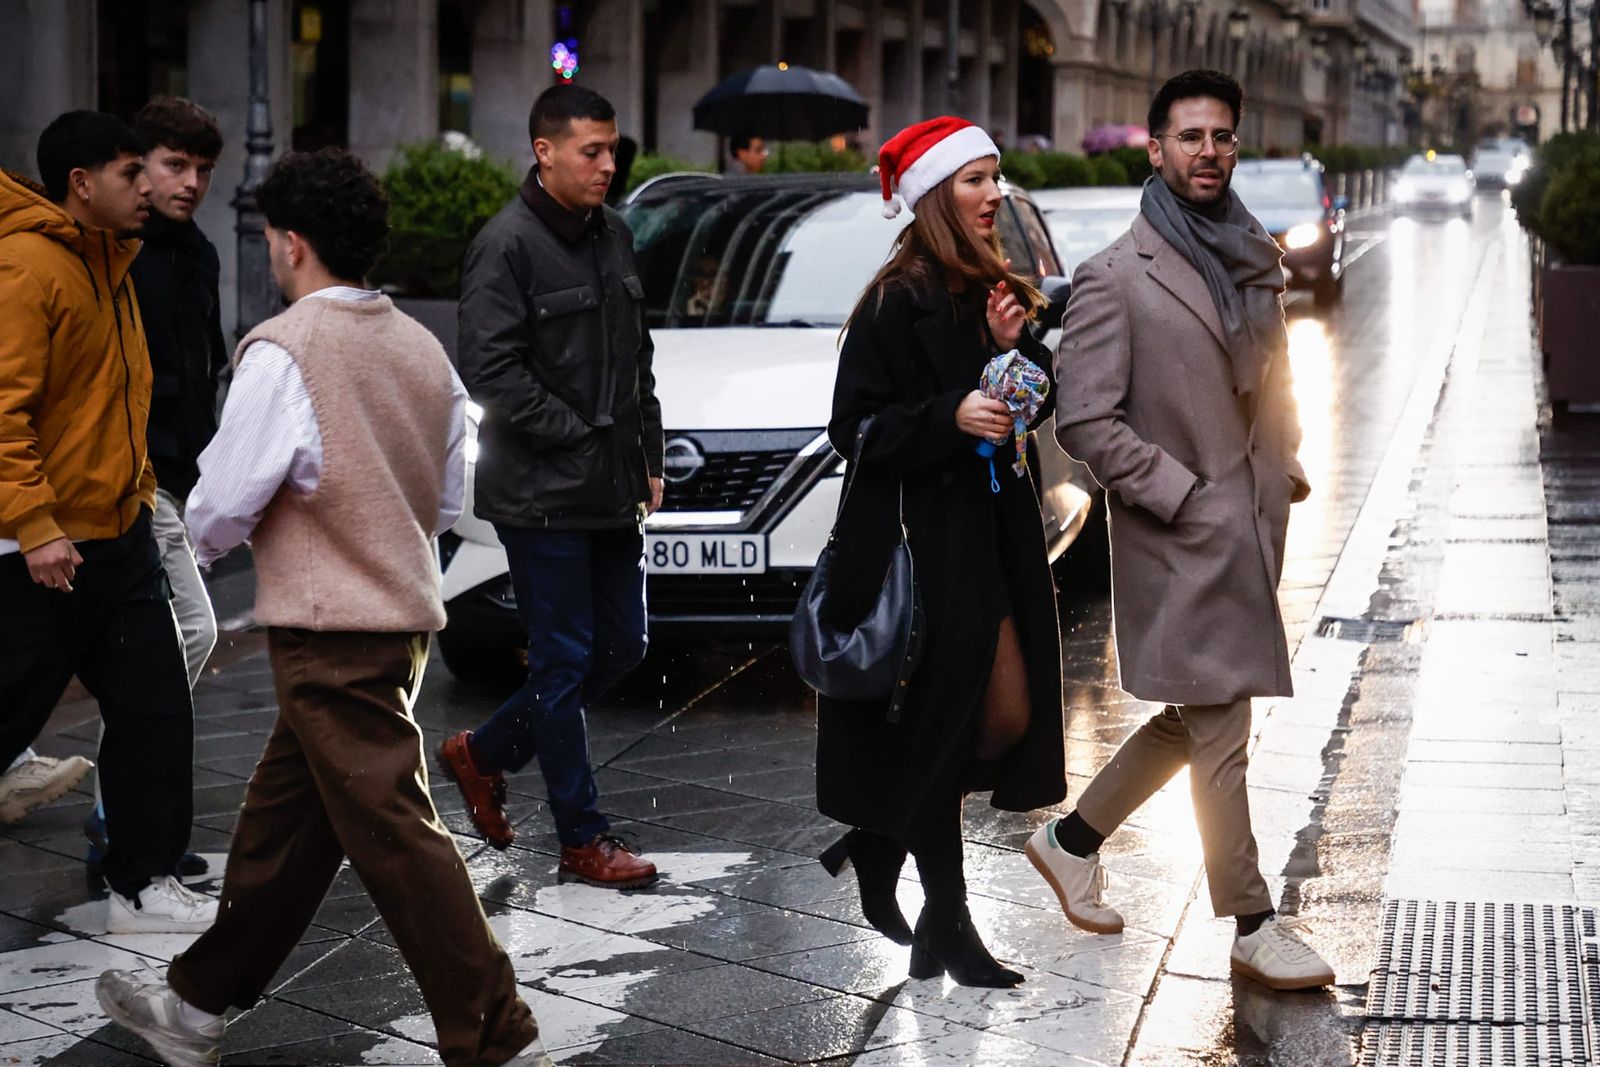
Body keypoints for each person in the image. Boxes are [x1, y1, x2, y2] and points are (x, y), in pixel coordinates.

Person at [94, 148, 550, 1067]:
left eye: (270, 237)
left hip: (327, 629)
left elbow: (222, 500)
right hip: (403, 615)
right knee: (283, 828)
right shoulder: (419, 345)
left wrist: (204, 554)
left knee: (396, 833)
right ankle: (192, 1007)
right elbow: (458, 490)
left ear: (291, 243)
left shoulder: (285, 347)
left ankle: (496, 1033)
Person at [1035, 69, 1335, 991]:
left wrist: (1280, 470)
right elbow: (1084, 418)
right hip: (1180, 533)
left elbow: (1276, 378)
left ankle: (1070, 837)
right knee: (1222, 726)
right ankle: (1252, 921)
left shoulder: (1252, 255)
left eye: (1223, 137)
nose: (1210, 152)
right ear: (1156, 150)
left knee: (1201, 712)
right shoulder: (1115, 277)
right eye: (1191, 137)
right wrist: (1179, 491)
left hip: (1247, 525)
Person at [815, 116, 1067, 988]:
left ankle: (884, 835)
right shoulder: (897, 299)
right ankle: (948, 925)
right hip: (922, 552)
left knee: (1001, 719)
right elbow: (854, 428)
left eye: (996, 177)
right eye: (975, 181)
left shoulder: (990, 289)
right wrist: (945, 417)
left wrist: (1010, 354)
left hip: (992, 534)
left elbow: (1031, 401)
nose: (994, 194)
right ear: (932, 196)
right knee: (962, 718)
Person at [441, 84, 663, 889]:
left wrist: (649, 454)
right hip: (540, 493)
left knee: (624, 645)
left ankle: (484, 750)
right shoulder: (505, 245)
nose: (607, 165)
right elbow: (490, 373)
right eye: (590, 152)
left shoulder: (614, 234)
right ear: (544, 152)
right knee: (566, 658)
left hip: (610, 486)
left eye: (611, 150)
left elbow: (636, 358)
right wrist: (585, 436)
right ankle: (582, 837)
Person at [0, 111, 213, 934]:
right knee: (11, 706)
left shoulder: (112, 260)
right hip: (43, 544)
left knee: (155, 706)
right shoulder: (27, 266)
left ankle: (145, 880)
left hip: (116, 530)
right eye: (131, 173)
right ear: (82, 184)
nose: (148, 188)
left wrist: (140, 487)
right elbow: (6, 411)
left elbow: (120, 399)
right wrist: (36, 522)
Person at [82, 96, 228, 882]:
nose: (192, 182)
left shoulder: (197, 252)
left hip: (174, 477)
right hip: (132, 478)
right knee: (185, 638)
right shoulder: (116, 250)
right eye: (175, 165)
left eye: (203, 168)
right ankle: (118, 815)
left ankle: (116, 815)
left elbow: (202, 365)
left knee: (158, 648)